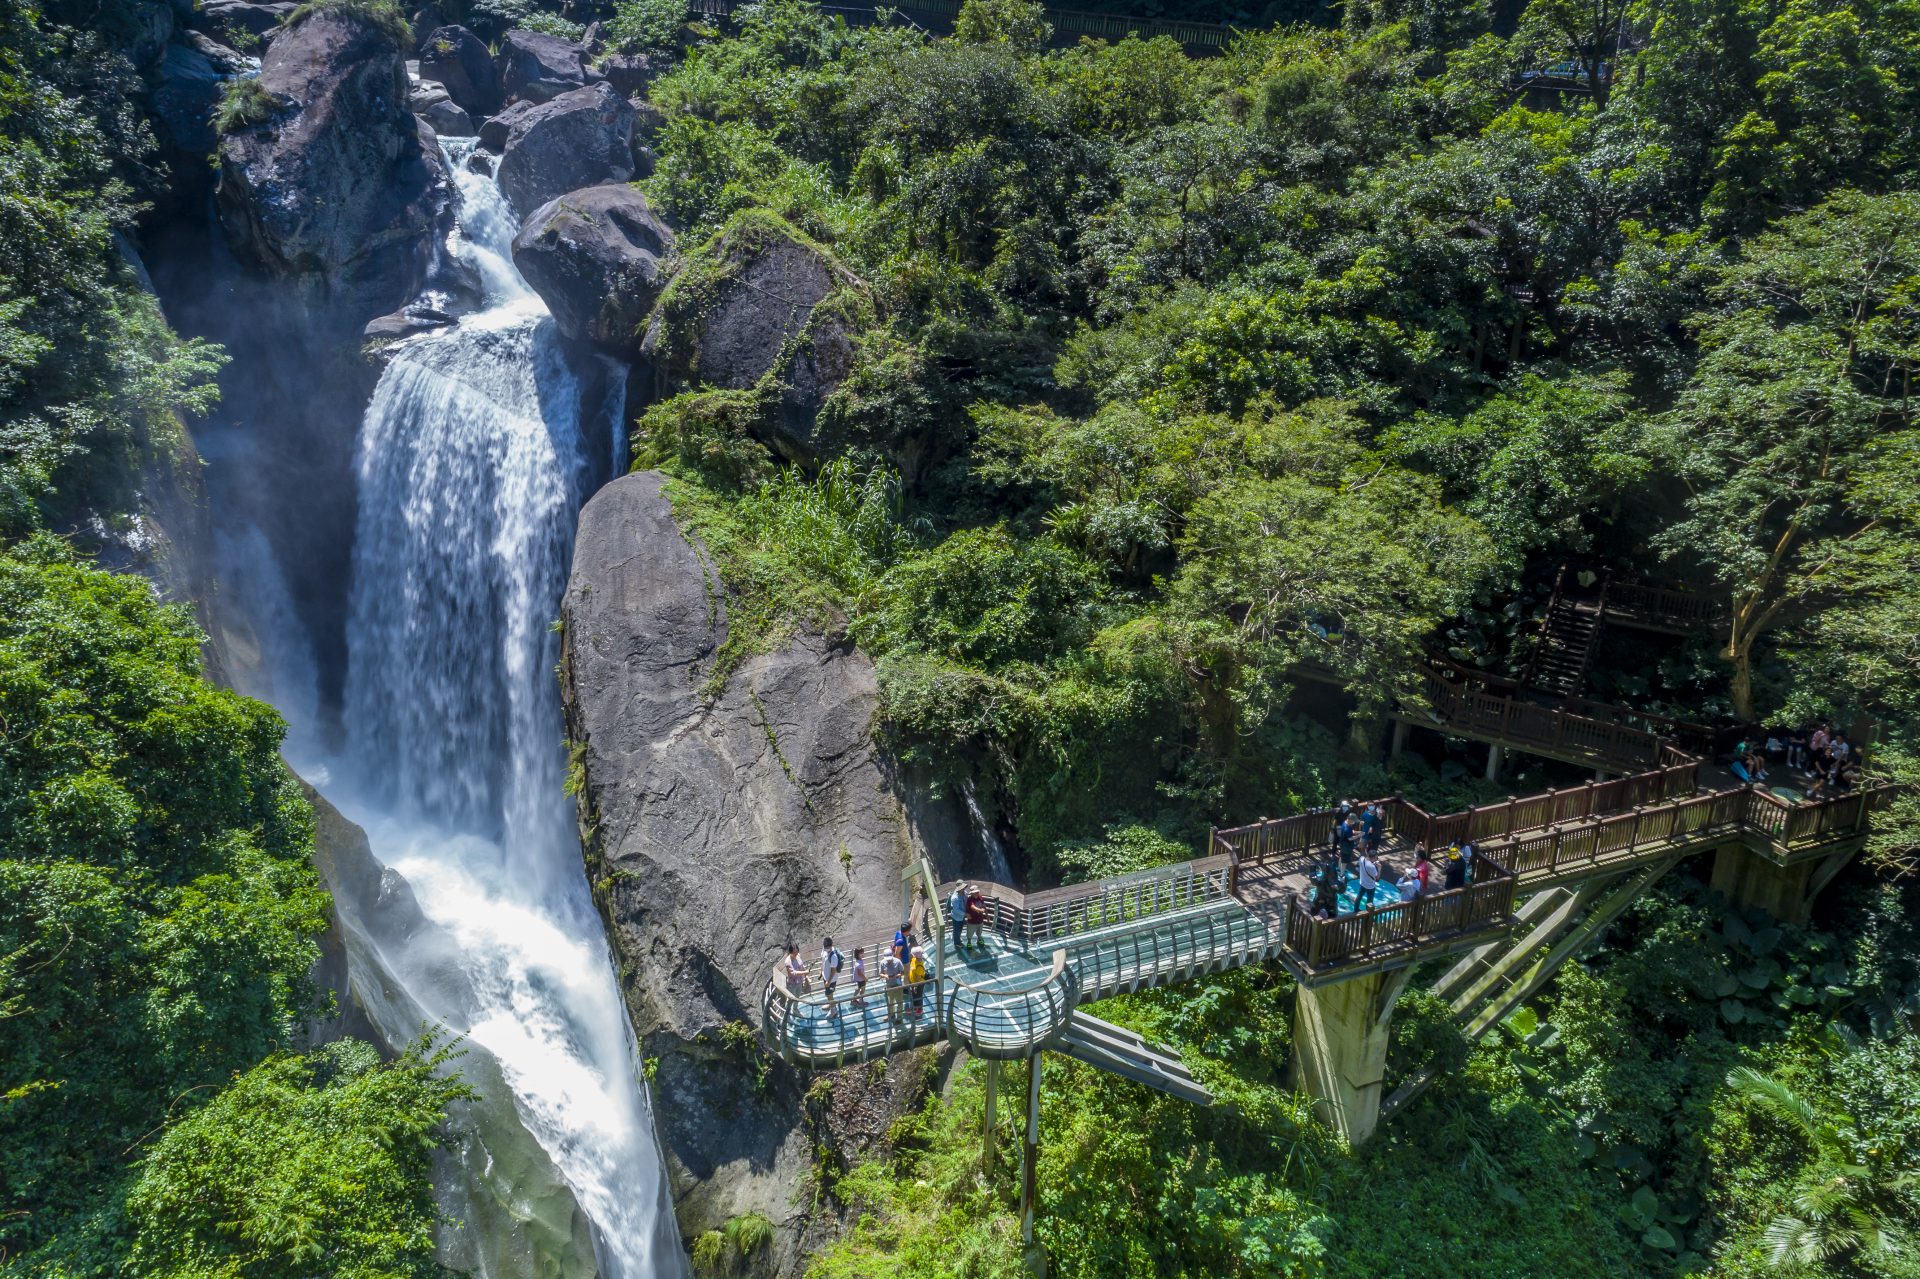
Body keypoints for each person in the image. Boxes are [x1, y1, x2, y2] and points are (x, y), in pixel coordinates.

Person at [881, 949, 906, 1025]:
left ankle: (899, 1017)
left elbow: (903, 972)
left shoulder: (898, 961)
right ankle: (891, 1014)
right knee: (890, 1001)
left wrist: (896, 976)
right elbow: (881, 974)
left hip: (898, 985)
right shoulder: (882, 963)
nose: (889, 961)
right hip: (889, 985)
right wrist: (885, 976)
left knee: (900, 1002)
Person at [820, 936, 843, 1017]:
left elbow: (833, 971)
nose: (826, 948)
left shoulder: (833, 956)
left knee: (829, 994)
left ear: (831, 945)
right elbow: (823, 962)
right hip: (825, 976)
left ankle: (833, 1010)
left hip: (831, 980)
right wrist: (821, 972)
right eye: (825, 946)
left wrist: (828, 982)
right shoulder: (824, 950)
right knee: (828, 994)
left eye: (828, 946)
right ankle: (831, 1004)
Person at [906, 945, 928, 1018]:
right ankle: (915, 1008)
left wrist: (915, 986)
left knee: (918, 996)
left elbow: (918, 978)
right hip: (914, 983)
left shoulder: (919, 966)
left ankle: (919, 1010)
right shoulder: (914, 960)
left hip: (919, 984)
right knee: (914, 996)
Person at [948, 884, 968, 954]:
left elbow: (966, 901)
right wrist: (965, 914)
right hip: (957, 917)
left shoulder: (964, 894)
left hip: (962, 916)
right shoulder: (955, 898)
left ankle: (957, 938)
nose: (964, 889)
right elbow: (956, 910)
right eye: (963, 888)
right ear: (959, 889)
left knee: (960, 928)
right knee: (957, 929)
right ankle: (957, 942)